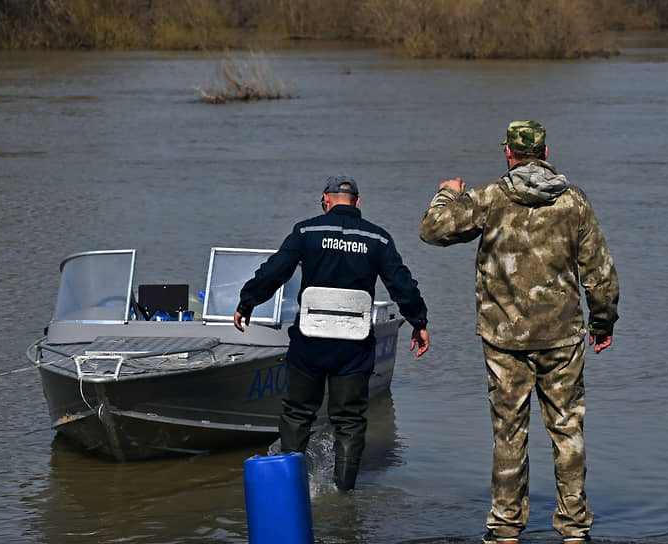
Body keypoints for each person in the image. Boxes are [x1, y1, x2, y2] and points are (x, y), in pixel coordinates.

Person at [419, 121, 619, 544]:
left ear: (508, 154)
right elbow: (599, 273)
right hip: (563, 338)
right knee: (567, 430)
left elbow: (432, 229)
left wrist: (448, 192)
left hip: (504, 340)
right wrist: (603, 323)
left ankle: (506, 528)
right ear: (545, 152)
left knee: (509, 432)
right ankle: (574, 528)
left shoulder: (490, 198)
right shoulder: (574, 202)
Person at [234, 175, 430, 491]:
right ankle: (345, 493)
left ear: (326, 200)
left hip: (311, 343)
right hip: (353, 346)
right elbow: (402, 284)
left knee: (298, 414)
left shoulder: (306, 231)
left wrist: (247, 302)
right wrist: (419, 322)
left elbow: (274, 271)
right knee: (349, 421)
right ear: (357, 201)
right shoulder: (377, 239)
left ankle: (290, 491)